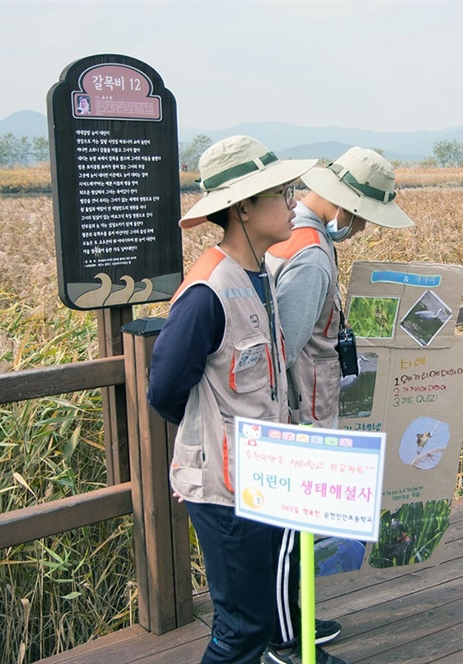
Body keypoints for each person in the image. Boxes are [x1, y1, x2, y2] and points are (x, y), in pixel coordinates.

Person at [146, 135, 345, 664]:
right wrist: (206, 446)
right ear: (243, 209)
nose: (291, 202)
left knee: (253, 623)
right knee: (240, 631)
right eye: (279, 194)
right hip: (225, 490)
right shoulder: (208, 292)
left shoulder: (260, 277)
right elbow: (165, 389)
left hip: (260, 480)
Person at [262, 147, 413, 662]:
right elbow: (282, 347)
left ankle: (295, 617)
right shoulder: (309, 253)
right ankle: (287, 639)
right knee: (292, 527)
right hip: (302, 406)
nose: (365, 229)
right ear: (344, 206)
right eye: (365, 217)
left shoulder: (300, 238)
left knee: (298, 528)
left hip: (302, 400)